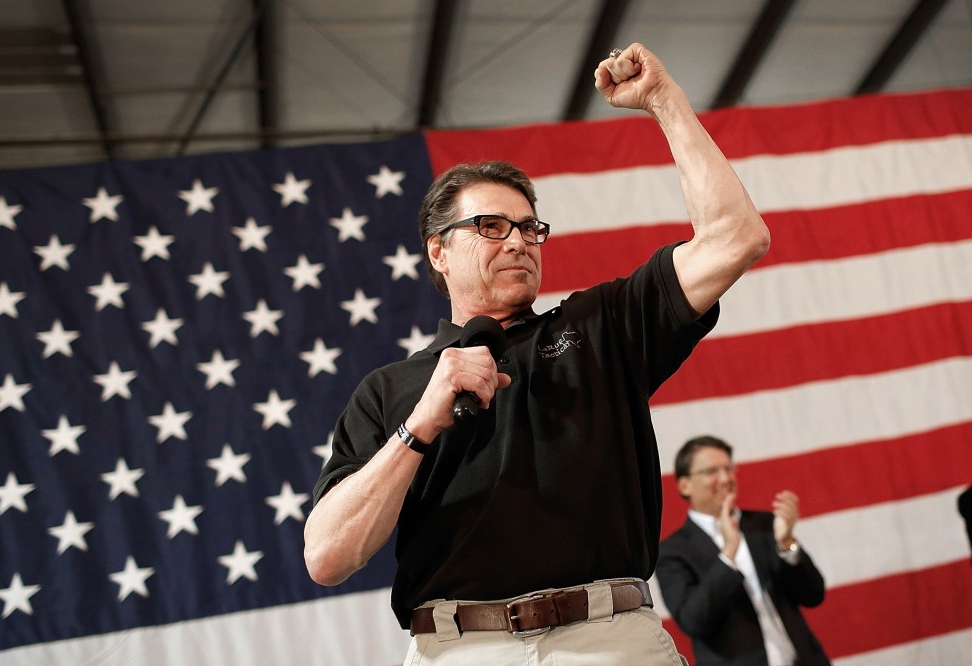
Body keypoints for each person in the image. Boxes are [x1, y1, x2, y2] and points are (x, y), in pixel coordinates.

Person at [304, 42, 770, 665]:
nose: (519, 241)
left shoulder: (601, 326)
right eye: (491, 226)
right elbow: (327, 558)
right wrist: (419, 426)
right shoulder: (389, 391)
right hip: (460, 651)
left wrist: (664, 100)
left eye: (529, 228)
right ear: (438, 251)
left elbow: (736, 237)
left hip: (608, 642)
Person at [656, 435, 831, 665]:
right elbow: (694, 621)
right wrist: (728, 554)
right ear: (684, 485)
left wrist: (787, 544)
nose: (725, 479)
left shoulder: (765, 525)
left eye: (729, 469)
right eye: (711, 471)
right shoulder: (672, 552)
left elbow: (813, 595)